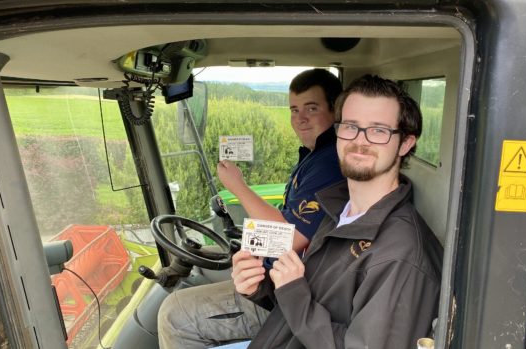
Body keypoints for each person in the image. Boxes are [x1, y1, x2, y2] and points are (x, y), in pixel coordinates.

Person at [231, 74, 443, 348]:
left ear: (405, 144)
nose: (360, 141)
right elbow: (313, 300)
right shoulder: (339, 211)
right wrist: (258, 286)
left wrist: (293, 292)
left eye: (379, 130)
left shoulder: (400, 256)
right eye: (351, 127)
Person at [158, 68, 345, 348]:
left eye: (312, 108)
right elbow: (287, 222)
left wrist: (238, 187)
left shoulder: (329, 162)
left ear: (335, 111)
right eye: (294, 110)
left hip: (284, 295)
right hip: (272, 276)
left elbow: (288, 238)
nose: (300, 118)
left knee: (174, 314)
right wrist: (248, 246)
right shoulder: (314, 155)